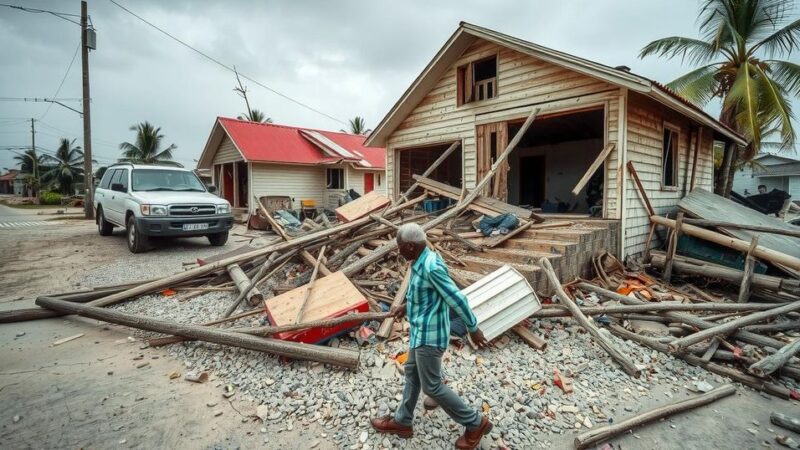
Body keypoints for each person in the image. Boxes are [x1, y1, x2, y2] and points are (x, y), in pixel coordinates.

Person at [370, 223, 493, 449]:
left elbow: (457, 299)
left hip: (430, 336)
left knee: (432, 387)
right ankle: (403, 421)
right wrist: (405, 307)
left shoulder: (431, 266)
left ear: (409, 246)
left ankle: (476, 423)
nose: (398, 251)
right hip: (420, 332)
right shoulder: (418, 261)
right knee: (412, 373)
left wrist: (473, 328)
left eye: (399, 247)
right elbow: (425, 294)